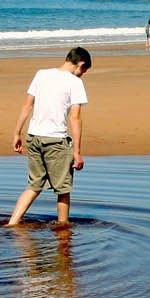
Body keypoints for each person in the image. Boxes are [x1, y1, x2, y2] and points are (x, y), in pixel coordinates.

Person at [6, 47, 92, 226]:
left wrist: (17, 133)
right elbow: (75, 118)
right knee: (63, 189)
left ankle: (12, 223)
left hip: (34, 136)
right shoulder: (75, 82)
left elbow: (27, 106)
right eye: (84, 71)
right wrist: (77, 152)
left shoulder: (41, 74)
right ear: (81, 64)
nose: (83, 75)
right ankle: (63, 229)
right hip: (56, 140)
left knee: (34, 185)